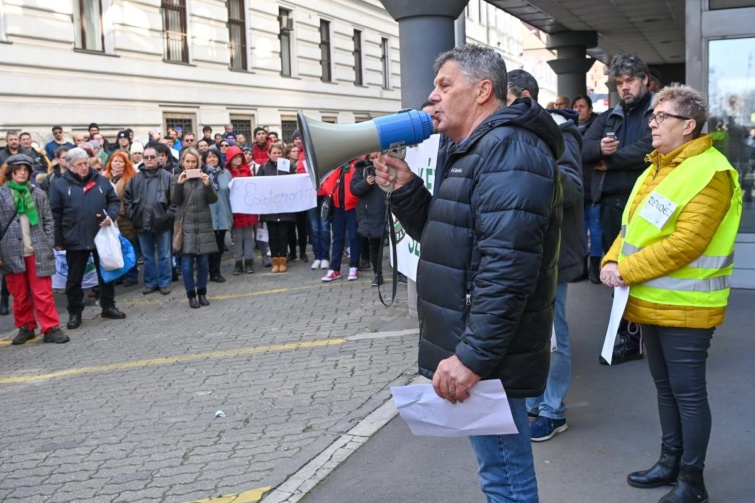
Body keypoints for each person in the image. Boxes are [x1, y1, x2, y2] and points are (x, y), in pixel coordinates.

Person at [374, 44, 563, 503]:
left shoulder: (509, 150)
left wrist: (473, 357)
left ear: (482, 91)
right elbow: (449, 238)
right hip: (487, 346)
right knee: (499, 471)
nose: (431, 98)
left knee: (505, 477)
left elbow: (508, 270)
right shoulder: (475, 148)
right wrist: (406, 190)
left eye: (444, 86)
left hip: (493, 355)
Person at [600, 84, 741, 503]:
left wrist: (623, 270)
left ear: (689, 125)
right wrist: (610, 260)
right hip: (651, 301)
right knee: (665, 388)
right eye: (653, 116)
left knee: (688, 392)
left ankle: (692, 483)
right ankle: (670, 463)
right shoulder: (658, 167)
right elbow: (631, 229)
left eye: (662, 117)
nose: (653, 123)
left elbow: (686, 243)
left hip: (688, 306)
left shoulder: (711, 172)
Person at [507, 69, 585, 442]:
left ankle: (554, 409)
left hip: (552, 253)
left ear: (523, 97)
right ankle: (535, 402)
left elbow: (572, 190)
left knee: (555, 334)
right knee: (533, 333)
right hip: (525, 251)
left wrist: (535, 160)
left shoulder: (561, 132)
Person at [582, 53, 655, 365]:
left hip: (649, 206)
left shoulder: (659, 111)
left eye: (630, 81)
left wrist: (608, 159)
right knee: (617, 273)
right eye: (620, 83)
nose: (624, 88)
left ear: (645, 81)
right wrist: (598, 149)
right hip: (613, 206)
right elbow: (582, 147)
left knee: (644, 272)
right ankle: (627, 335)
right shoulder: (609, 115)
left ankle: (641, 336)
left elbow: (650, 150)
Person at [49, 148, 126, 329]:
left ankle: (108, 306)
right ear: (69, 166)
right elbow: (55, 214)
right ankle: (75, 312)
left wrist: (111, 216)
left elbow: (114, 201)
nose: (84, 167)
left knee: (106, 273)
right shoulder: (60, 185)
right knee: (74, 279)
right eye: (79, 165)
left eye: (85, 163)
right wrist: (58, 240)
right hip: (74, 237)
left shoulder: (100, 180)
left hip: (100, 235)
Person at [0, 154, 68, 344]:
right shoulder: (2, 194)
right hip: (11, 253)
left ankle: (50, 328)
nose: (22, 173)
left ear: (30, 173)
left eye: (25, 170)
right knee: (19, 295)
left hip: (37, 251)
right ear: (10, 172)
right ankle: (26, 327)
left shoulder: (38, 194)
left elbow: (48, 220)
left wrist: (47, 242)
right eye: (18, 170)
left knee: (43, 293)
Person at [124, 146, 175, 295]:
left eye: (152, 157)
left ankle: (165, 282)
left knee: (165, 254)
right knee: (147, 256)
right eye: (146, 157)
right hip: (142, 223)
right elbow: (127, 200)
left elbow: (174, 201)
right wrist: (133, 216)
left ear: (159, 158)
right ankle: (150, 282)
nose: (149, 160)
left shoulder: (167, 177)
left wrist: (166, 216)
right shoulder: (135, 179)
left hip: (163, 223)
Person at [171, 148, 218, 308]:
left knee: (204, 262)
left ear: (198, 163)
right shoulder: (176, 178)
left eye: (193, 162)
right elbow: (174, 200)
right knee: (187, 262)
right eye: (188, 161)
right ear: (183, 162)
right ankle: (191, 295)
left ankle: (202, 292)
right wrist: (179, 184)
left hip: (203, 225)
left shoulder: (204, 178)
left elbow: (213, 200)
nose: (190, 165)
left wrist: (207, 185)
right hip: (186, 226)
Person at [572, 95, 602, 283]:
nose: (578, 110)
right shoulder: (570, 128)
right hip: (576, 185)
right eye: (575, 106)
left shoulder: (598, 127)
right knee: (580, 230)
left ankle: (594, 268)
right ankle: (581, 267)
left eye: (582, 106)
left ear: (590, 109)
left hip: (594, 184)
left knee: (596, 228)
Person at [258, 143, 296, 273]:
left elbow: (294, 183)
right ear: (269, 154)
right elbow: (259, 186)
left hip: (284, 207)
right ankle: (275, 260)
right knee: (273, 235)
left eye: (279, 153)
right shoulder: (263, 168)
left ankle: (283, 259)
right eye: (274, 153)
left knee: (283, 235)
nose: (277, 155)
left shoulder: (287, 166)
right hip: (270, 208)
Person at [320, 160, 360, 282]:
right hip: (337, 206)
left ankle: (354, 266)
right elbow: (325, 182)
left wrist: (353, 198)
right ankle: (335, 269)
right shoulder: (335, 165)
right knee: (337, 238)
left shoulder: (357, 164)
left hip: (353, 206)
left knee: (354, 237)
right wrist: (330, 190)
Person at [104, 151, 139, 286]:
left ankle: (131, 275)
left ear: (126, 164)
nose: (117, 163)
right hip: (111, 219)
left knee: (128, 246)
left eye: (121, 161)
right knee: (116, 247)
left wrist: (123, 210)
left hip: (125, 219)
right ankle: (119, 274)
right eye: (115, 160)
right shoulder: (105, 178)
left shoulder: (130, 178)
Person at [350, 152, 385, 286]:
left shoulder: (388, 165)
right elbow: (354, 189)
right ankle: (378, 273)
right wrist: (366, 182)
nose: (375, 160)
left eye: (377, 157)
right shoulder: (362, 169)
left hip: (387, 209)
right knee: (375, 245)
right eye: (372, 158)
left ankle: (399, 272)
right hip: (371, 212)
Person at [225, 145, 259, 274]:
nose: (239, 159)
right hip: (235, 210)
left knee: (248, 236)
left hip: (247, 209)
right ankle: (238, 262)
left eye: (240, 157)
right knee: (237, 238)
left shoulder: (246, 171)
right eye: (236, 157)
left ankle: (249, 261)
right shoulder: (227, 173)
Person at [203, 147, 233, 283]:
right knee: (208, 247)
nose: (212, 159)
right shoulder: (201, 174)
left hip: (223, 213)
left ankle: (215, 272)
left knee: (219, 247)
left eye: (214, 156)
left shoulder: (226, 173)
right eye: (209, 157)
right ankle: (205, 272)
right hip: (207, 215)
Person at [283, 144, 309, 263]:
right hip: (288, 200)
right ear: (288, 153)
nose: (296, 153)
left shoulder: (302, 164)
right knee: (290, 229)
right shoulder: (284, 166)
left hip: (300, 199)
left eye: (297, 151)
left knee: (302, 227)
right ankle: (292, 252)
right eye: (293, 151)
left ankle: (303, 253)